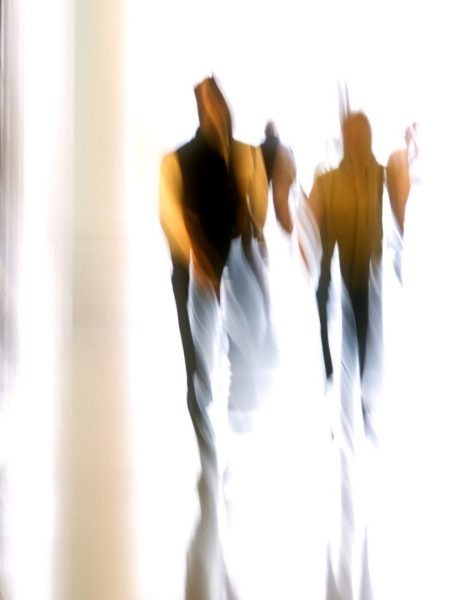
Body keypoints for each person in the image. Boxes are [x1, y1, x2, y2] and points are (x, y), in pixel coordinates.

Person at [158, 76, 267, 600]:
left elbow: (255, 214)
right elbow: (173, 217)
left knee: (229, 362)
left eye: (220, 100)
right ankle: (210, 458)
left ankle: (221, 457)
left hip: (230, 271)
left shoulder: (242, 156)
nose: (217, 111)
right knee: (200, 370)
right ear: (201, 109)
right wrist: (196, 257)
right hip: (198, 276)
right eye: (209, 102)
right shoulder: (178, 160)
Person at [307, 111, 385, 599]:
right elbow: (313, 225)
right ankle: (342, 392)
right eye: (354, 134)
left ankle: (354, 399)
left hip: (361, 271)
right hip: (336, 271)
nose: (359, 140)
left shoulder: (377, 174)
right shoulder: (332, 178)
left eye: (363, 133)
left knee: (363, 333)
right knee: (342, 337)